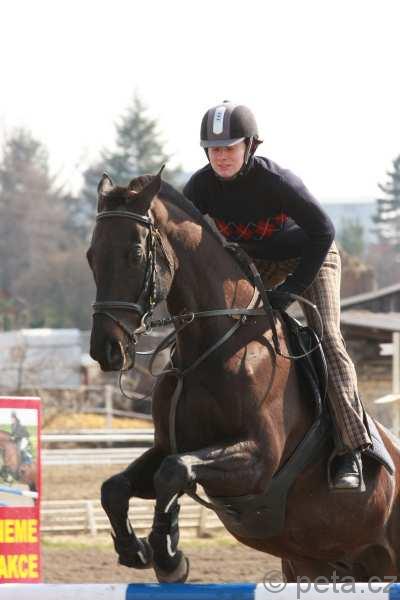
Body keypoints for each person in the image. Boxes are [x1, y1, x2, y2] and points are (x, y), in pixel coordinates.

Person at [183, 101, 371, 492]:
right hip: (256, 264)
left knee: (328, 339)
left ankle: (351, 448)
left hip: (312, 256)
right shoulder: (200, 188)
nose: (221, 156)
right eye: (213, 149)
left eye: (229, 148)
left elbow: (323, 232)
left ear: (250, 146)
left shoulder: (276, 181)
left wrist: (292, 289)